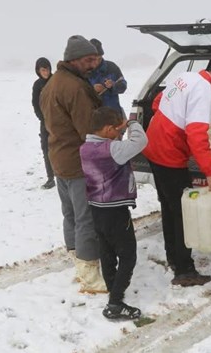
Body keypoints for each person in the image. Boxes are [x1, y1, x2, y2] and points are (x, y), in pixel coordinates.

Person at [142, 59, 211, 287]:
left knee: (169, 207)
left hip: (154, 146)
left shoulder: (186, 77)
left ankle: (174, 258)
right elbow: (197, 135)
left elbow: (157, 102)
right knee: (183, 214)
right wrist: (210, 172)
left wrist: (168, 127)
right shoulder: (204, 91)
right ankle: (185, 271)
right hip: (169, 155)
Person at [40, 35, 106, 294]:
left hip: (59, 157)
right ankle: (89, 274)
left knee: (70, 214)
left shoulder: (53, 83)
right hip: (78, 162)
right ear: (74, 60)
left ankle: (78, 263)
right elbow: (88, 130)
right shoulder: (75, 87)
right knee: (85, 217)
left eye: (95, 59)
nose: (94, 64)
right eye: (89, 60)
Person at [80, 107, 147, 320]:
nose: (120, 135)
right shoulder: (112, 149)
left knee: (107, 251)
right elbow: (140, 142)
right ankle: (115, 303)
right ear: (108, 129)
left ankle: (112, 289)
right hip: (115, 210)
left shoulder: (84, 148)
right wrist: (131, 124)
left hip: (96, 209)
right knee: (128, 254)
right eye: (117, 131)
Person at [32, 57, 56, 189]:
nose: (46, 72)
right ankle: (50, 178)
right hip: (45, 122)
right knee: (46, 149)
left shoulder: (56, 81)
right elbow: (35, 104)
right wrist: (43, 118)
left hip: (59, 122)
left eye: (47, 69)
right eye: (43, 70)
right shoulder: (37, 85)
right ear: (38, 71)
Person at [88, 38, 127, 117]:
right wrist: (92, 89)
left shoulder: (112, 67)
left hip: (113, 116)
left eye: (99, 58)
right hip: (92, 118)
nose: (97, 62)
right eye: (94, 59)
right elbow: (75, 92)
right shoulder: (83, 71)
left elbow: (123, 85)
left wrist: (113, 86)